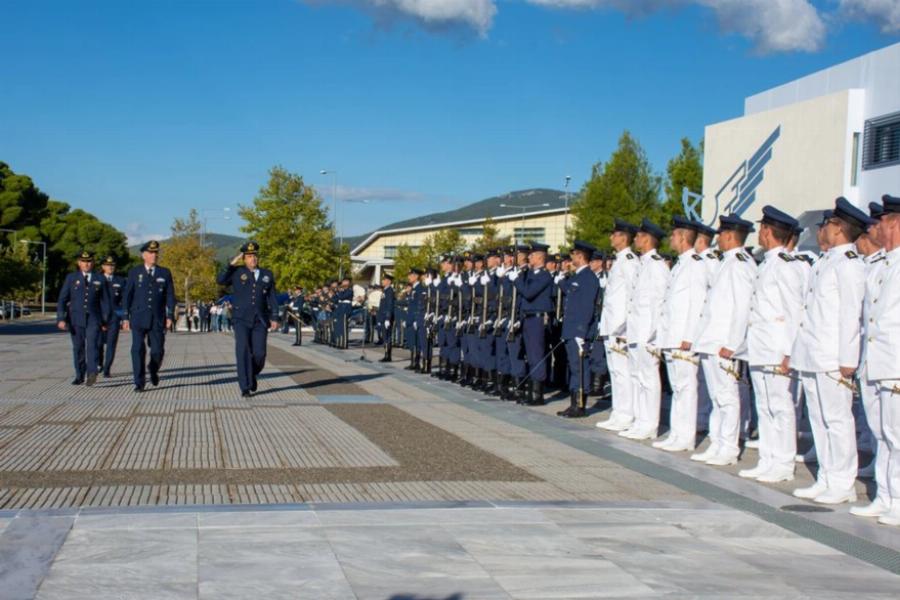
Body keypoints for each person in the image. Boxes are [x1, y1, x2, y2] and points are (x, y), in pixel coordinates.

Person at [790, 198, 869, 505]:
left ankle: (842, 481)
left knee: (837, 421)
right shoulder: (826, 261)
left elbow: (851, 314)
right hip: (813, 353)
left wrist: (848, 359)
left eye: (825, 225)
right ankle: (826, 476)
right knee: (821, 420)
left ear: (837, 229)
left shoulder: (849, 264)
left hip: (832, 357)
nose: (821, 230)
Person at [741, 206, 807, 483]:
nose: (759, 232)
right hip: (761, 346)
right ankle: (768, 459)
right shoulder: (767, 263)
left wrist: (789, 352)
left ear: (768, 232)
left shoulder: (785, 264)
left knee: (781, 406)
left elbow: (795, 311)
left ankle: (782, 462)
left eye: (762, 229)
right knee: (766, 406)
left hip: (777, 348)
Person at [691, 215, 757, 466]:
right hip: (711, 340)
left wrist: (734, 343)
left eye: (721, 234)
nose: (717, 239)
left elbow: (742, 307)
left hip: (723, 343)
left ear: (729, 236)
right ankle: (717, 442)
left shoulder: (740, 263)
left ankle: (729, 447)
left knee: (727, 397)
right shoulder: (726, 262)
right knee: (718, 397)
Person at [857, 193, 900, 525]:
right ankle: (886, 495)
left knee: (897, 434)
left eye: (881, 222)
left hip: (896, 363)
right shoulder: (885, 263)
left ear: (895, 223)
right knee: (884, 431)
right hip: (880, 361)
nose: (876, 228)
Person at [653, 216, 707, 452]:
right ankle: (677, 433)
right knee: (677, 388)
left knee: (686, 388)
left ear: (684, 237)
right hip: (672, 335)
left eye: (674, 235)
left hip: (683, 338)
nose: (671, 239)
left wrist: (689, 336)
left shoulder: (695, 264)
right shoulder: (680, 264)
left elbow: (696, 302)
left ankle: (685, 437)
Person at [621, 219, 671, 440]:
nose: (635, 239)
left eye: (639, 236)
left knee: (649, 379)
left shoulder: (657, 265)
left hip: (647, 334)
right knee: (638, 378)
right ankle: (640, 420)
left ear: (648, 239)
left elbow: (660, 302)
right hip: (636, 331)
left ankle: (650, 424)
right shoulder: (643, 264)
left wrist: (652, 336)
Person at [216, 241, 279, 397]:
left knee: (260, 354)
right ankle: (245, 386)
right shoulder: (236, 272)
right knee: (243, 350)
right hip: (241, 318)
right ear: (244, 258)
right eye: (249, 256)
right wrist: (231, 264)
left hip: (260, 319)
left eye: (255, 256)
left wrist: (275, 317)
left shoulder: (266, 275)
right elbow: (221, 280)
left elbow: (272, 298)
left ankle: (251, 374)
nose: (253, 259)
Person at [595, 220, 640, 431]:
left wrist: (625, 327)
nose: (611, 238)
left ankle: (626, 414)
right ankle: (618, 412)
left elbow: (633, 295)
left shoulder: (630, 260)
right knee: (615, 372)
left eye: (614, 234)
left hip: (620, 327)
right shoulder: (620, 260)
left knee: (623, 372)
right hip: (611, 325)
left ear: (624, 237)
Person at [122, 240, 176, 392]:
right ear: (143, 255)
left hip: (157, 318)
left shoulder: (164, 272)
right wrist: (125, 317)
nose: (154, 255)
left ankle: (153, 368)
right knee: (137, 349)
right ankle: (139, 382)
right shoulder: (135, 272)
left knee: (158, 350)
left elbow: (170, 296)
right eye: (151, 253)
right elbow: (127, 295)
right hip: (138, 317)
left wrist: (170, 315)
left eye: (156, 253)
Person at [557, 240, 601, 417]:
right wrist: (561, 279)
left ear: (581, 256)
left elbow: (587, 307)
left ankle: (580, 405)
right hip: (571, 329)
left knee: (580, 368)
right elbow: (569, 292)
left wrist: (581, 332)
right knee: (574, 367)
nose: (571, 257)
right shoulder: (577, 276)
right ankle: (574, 402)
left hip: (578, 331)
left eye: (573, 254)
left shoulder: (588, 278)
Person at [56, 250, 111, 386]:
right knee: (78, 347)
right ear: (79, 263)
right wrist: (61, 318)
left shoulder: (100, 279)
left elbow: (105, 302)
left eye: (89, 261)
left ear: (93, 263)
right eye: (83, 261)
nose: (86, 264)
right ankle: (80, 375)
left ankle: (92, 373)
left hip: (94, 318)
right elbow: (62, 299)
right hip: (75, 318)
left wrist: (105, 320)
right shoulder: (71, 278)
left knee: (93, 345)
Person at [511, 242, 553, 405]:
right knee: (529, 355)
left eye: (532, 255)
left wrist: (517, 280)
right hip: (527, 318)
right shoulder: (530, 274)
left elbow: (528, 293)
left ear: (540, 257)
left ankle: (537, 394)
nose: (529, 257)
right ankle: (530, 391)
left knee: (536, 356)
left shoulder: (544, 275)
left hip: (537, 319)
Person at [97, 255, 125, 377]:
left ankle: (107, 368)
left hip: (114, 318)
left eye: (112, 265)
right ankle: (99, 363)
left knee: (111, 344)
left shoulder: (120, 281)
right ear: (103, 266)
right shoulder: (96, 279)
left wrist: (123, 317)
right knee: (97, 343)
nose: (110, 267)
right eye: (108, 265)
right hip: (98, 317)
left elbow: (124, 301)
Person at [377, 273, 396, 362]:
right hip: (383, 317)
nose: (382, 281)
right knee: (385, 336)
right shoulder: (385, 290)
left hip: (386, 318)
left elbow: (390, 305)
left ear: (388, 281)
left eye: (384, 280)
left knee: (387, 337)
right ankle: (386, 354)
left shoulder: (389, 291)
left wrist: (388, 318)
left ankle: (388, 356)